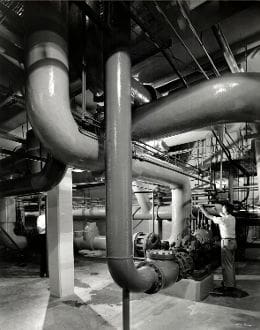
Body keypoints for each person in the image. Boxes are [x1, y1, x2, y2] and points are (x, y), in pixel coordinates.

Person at [199, 202, 236, 293]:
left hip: (226, 242)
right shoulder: (232, 218)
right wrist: (218, 211)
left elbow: (208, 216)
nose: (222, 209)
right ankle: (230, 282)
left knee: (226, 265)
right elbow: (224, 216)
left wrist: (201, 208)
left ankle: (228, 286)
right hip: (233, 242)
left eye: (223, 208)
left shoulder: (223, 220)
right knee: (230, 263)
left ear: (226, 210)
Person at [37, 213, 48, 277]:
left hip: (49, 236)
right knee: (44, 255)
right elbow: (40, 230)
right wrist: (48, 227)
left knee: (47, 255)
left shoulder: (52, 216)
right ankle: (43, 272)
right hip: (43, 237)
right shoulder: (40, 217)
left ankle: (46, 272)